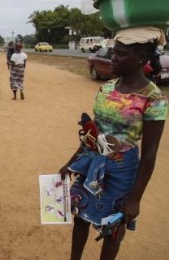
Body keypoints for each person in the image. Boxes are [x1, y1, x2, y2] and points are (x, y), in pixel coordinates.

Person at [59, 26, 167, 260]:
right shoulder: (106, 88)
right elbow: (92, 133)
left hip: (122, 171)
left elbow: (149, 153)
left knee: (113, 228)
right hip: (92, 162)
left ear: (140, 58)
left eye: (120, 54)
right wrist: (70, 164)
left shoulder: (154, 98)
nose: (113, 58)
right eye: (114, 52)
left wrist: (135, 199)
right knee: (79, 215)